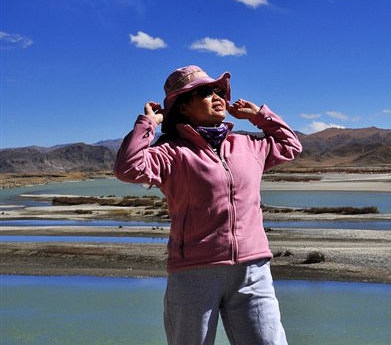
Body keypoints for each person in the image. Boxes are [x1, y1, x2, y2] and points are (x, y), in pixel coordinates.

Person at [114, 65, 302, 345]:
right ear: (184, 106)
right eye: (205, 92)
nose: (217, 97)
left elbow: (290, 146)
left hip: (252, 270)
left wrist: (259, 116)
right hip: (194, 271)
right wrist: (148, 124)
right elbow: (128, 167)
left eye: (219, 91)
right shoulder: (171, 153)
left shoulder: (247, 145)